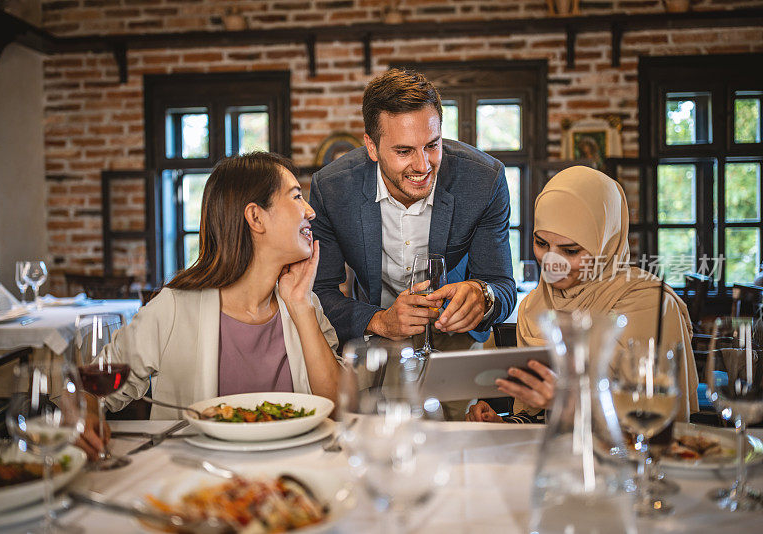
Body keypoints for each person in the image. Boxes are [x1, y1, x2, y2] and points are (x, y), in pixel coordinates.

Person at [77, 152, 340, 459]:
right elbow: (89, 389)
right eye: (296, 197)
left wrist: (301, 306)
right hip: (192, 483)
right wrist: (86, 413)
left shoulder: (304, 302)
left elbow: (338, 409)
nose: (310, 211)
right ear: (255, 217)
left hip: (297, 475)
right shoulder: (173, 308)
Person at [466, 166, 698, 423]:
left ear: (606, 243)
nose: (552, 262)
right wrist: (504, 423)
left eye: (570, 250)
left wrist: (566, 399)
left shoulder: (651, 303)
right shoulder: (534, 306)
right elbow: (540, 418)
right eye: (542, 243)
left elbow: (652, 419)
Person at [308, 68, 516, 352]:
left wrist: (484, 296)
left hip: (455, 333)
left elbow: (502, 284)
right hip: (376, 330)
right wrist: (380, 321)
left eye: (432, 145)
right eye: (404, 151)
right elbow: (319, 292)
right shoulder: (332, 189)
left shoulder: (483, 181)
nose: (423, 165)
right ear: (371, 146)